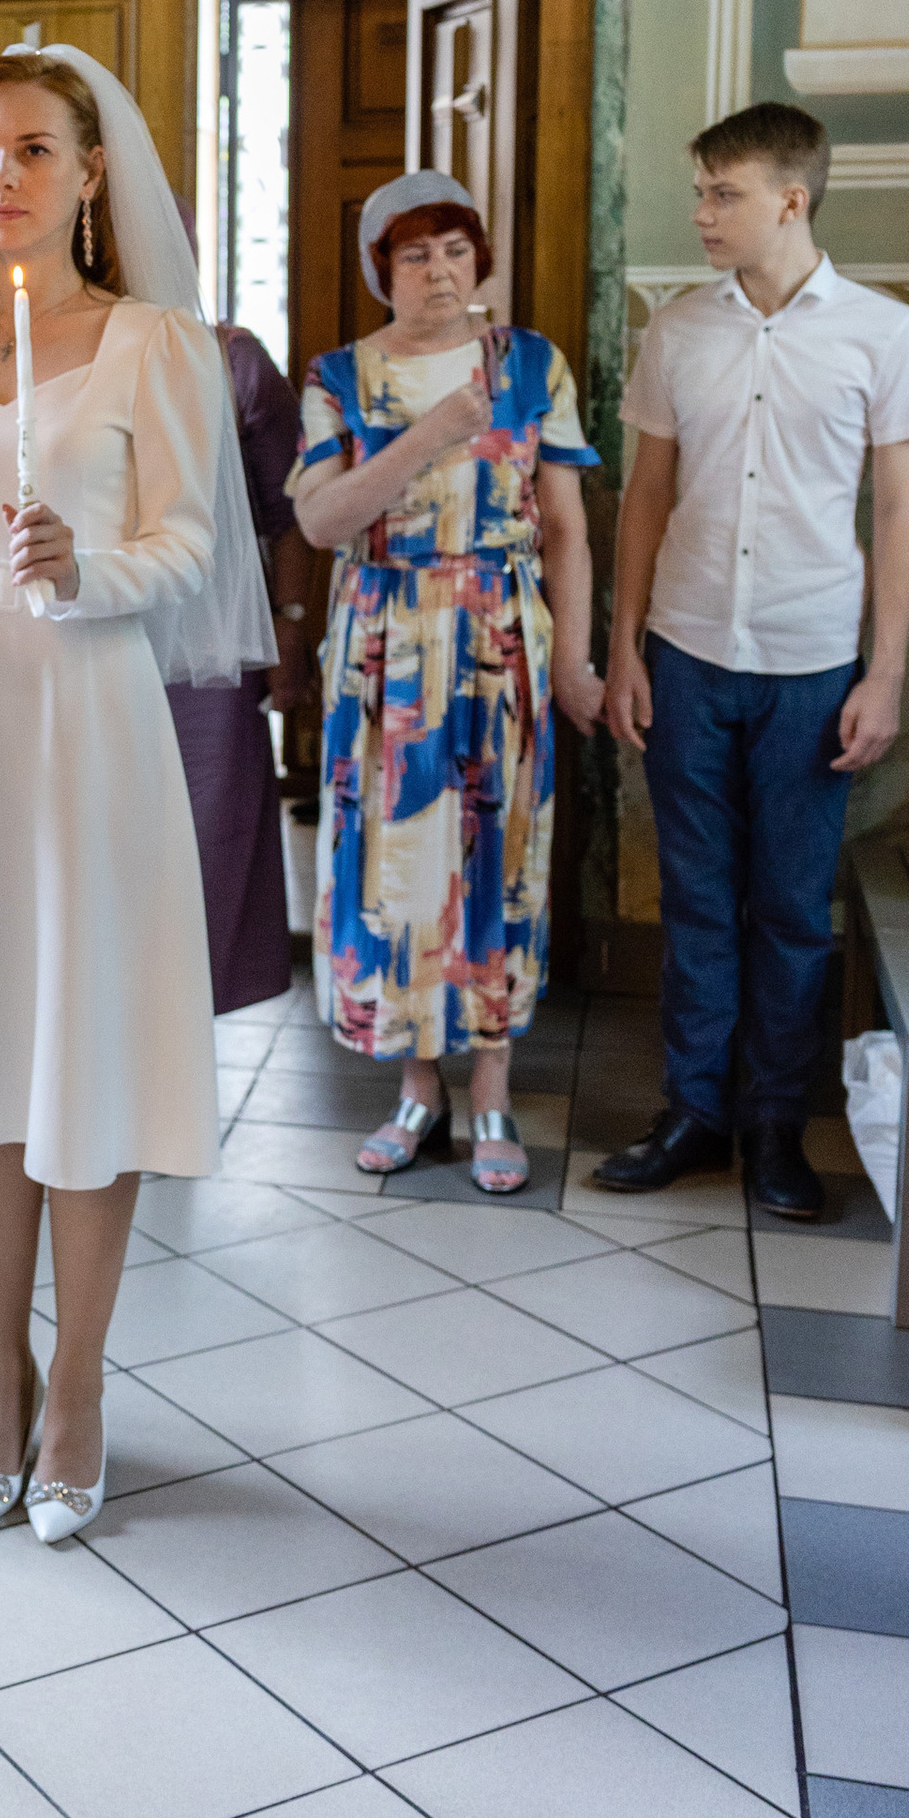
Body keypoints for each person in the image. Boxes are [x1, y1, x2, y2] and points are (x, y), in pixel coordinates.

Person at [0, 47, 270, 1544]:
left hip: (90, 725)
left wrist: (85, 571)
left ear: (92, 175)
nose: (0, 176)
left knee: (81, 1059)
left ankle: (80, 1386)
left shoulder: (160, 344)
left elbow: (193, 553)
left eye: (32, 149)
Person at [599, 102, 909, 1219]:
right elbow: (644, 494)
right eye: (699, 192)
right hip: (687, 652)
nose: (699, 213)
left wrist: (882, 673)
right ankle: (695, 1112)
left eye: (722, 194)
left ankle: (775, 1126)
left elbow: (897, 507)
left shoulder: (880, 334)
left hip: (810, 662)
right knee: (695, 900)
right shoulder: (677, 331)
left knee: (792, 911)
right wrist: (624, 649)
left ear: (790, 200)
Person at [291, 173, 601, 1197]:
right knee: (395, 868)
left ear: (481, 261)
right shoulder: (338, 379)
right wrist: (428, 435)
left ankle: (494, 1092)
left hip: (498, 633)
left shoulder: (528, 366)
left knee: (498, 853)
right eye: (415, 254)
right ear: (382, 270)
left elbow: (564, 527)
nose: (439, 273)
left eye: (457, 251)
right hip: (382, 643)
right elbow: (321, 522)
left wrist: (572, 661)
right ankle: (417, 1087)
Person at [167, 302, 312, 1010]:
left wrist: (288, 629)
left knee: (209, 838)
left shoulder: (236, 362)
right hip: (97, 635)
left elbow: (290, 518)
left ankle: (191, 1017)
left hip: (214, 647)